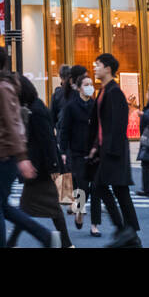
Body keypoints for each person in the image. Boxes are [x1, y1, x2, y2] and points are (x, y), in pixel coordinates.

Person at [0, 43, 60, 248]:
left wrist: (22, 157)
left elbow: (13, 124)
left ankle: (14, 242)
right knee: (0, 205)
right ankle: (45, 237)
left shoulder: (3, 89)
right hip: (1, 153)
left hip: (4, 155)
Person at [4, 74, 72, 247]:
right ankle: (65, 243)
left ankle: (65, 243)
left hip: (41, 167)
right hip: (40, 166)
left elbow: (48, 139)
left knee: (47, 209)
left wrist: (53, 166)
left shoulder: (36, 109)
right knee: (29, 208)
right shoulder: (32, 107)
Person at [88, 52, 141, 247]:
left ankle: (125, 230)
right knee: (119, 190)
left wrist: (108, 149)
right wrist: (95, 146)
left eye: (98, 64)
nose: (95, 68)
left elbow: (119, 124)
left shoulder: (114, 92)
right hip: (107, 150)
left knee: (101, 187)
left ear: (108, 68)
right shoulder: (103, 91)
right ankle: (130, 234)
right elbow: (100, 124)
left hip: (114, 151)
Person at [57, 67, 93, 231]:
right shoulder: (69, 103)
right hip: (75, 147)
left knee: (85, 183)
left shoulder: (94, 104)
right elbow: (64, 128)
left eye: (91, 83)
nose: (89, 86)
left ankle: (76, 205)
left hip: (91, 149)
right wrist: (62, 150)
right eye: (86, 82)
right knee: (78, 180)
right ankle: (77, 207)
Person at [50, 65, 72, 130]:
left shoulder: (56, 94)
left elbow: (52, 117)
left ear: (60, 77)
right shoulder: (76, 92)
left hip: (61, 130)